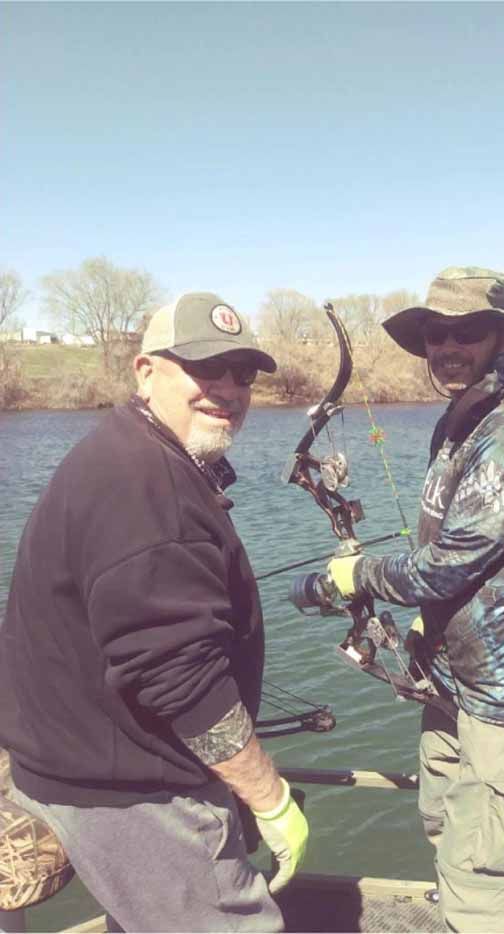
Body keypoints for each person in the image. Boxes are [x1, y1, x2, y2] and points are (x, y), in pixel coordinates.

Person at [0, 292, 307, 932]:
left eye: (242, 373)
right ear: (145, 371)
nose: (226, 388)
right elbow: (179, 673)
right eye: (204, 366)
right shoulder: (149, 485)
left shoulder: (122, 453)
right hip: (135, 793)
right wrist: (271, 799)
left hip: (72, 761)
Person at [326, 267, 504, 932]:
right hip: (447, 684)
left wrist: (349, 579)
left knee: (487, 890)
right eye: (437, 334)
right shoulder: (457, 424)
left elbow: (446, 565)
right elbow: (460, 565)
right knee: (447, 837)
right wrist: (418, 623)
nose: (447, 347)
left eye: (466, 332)